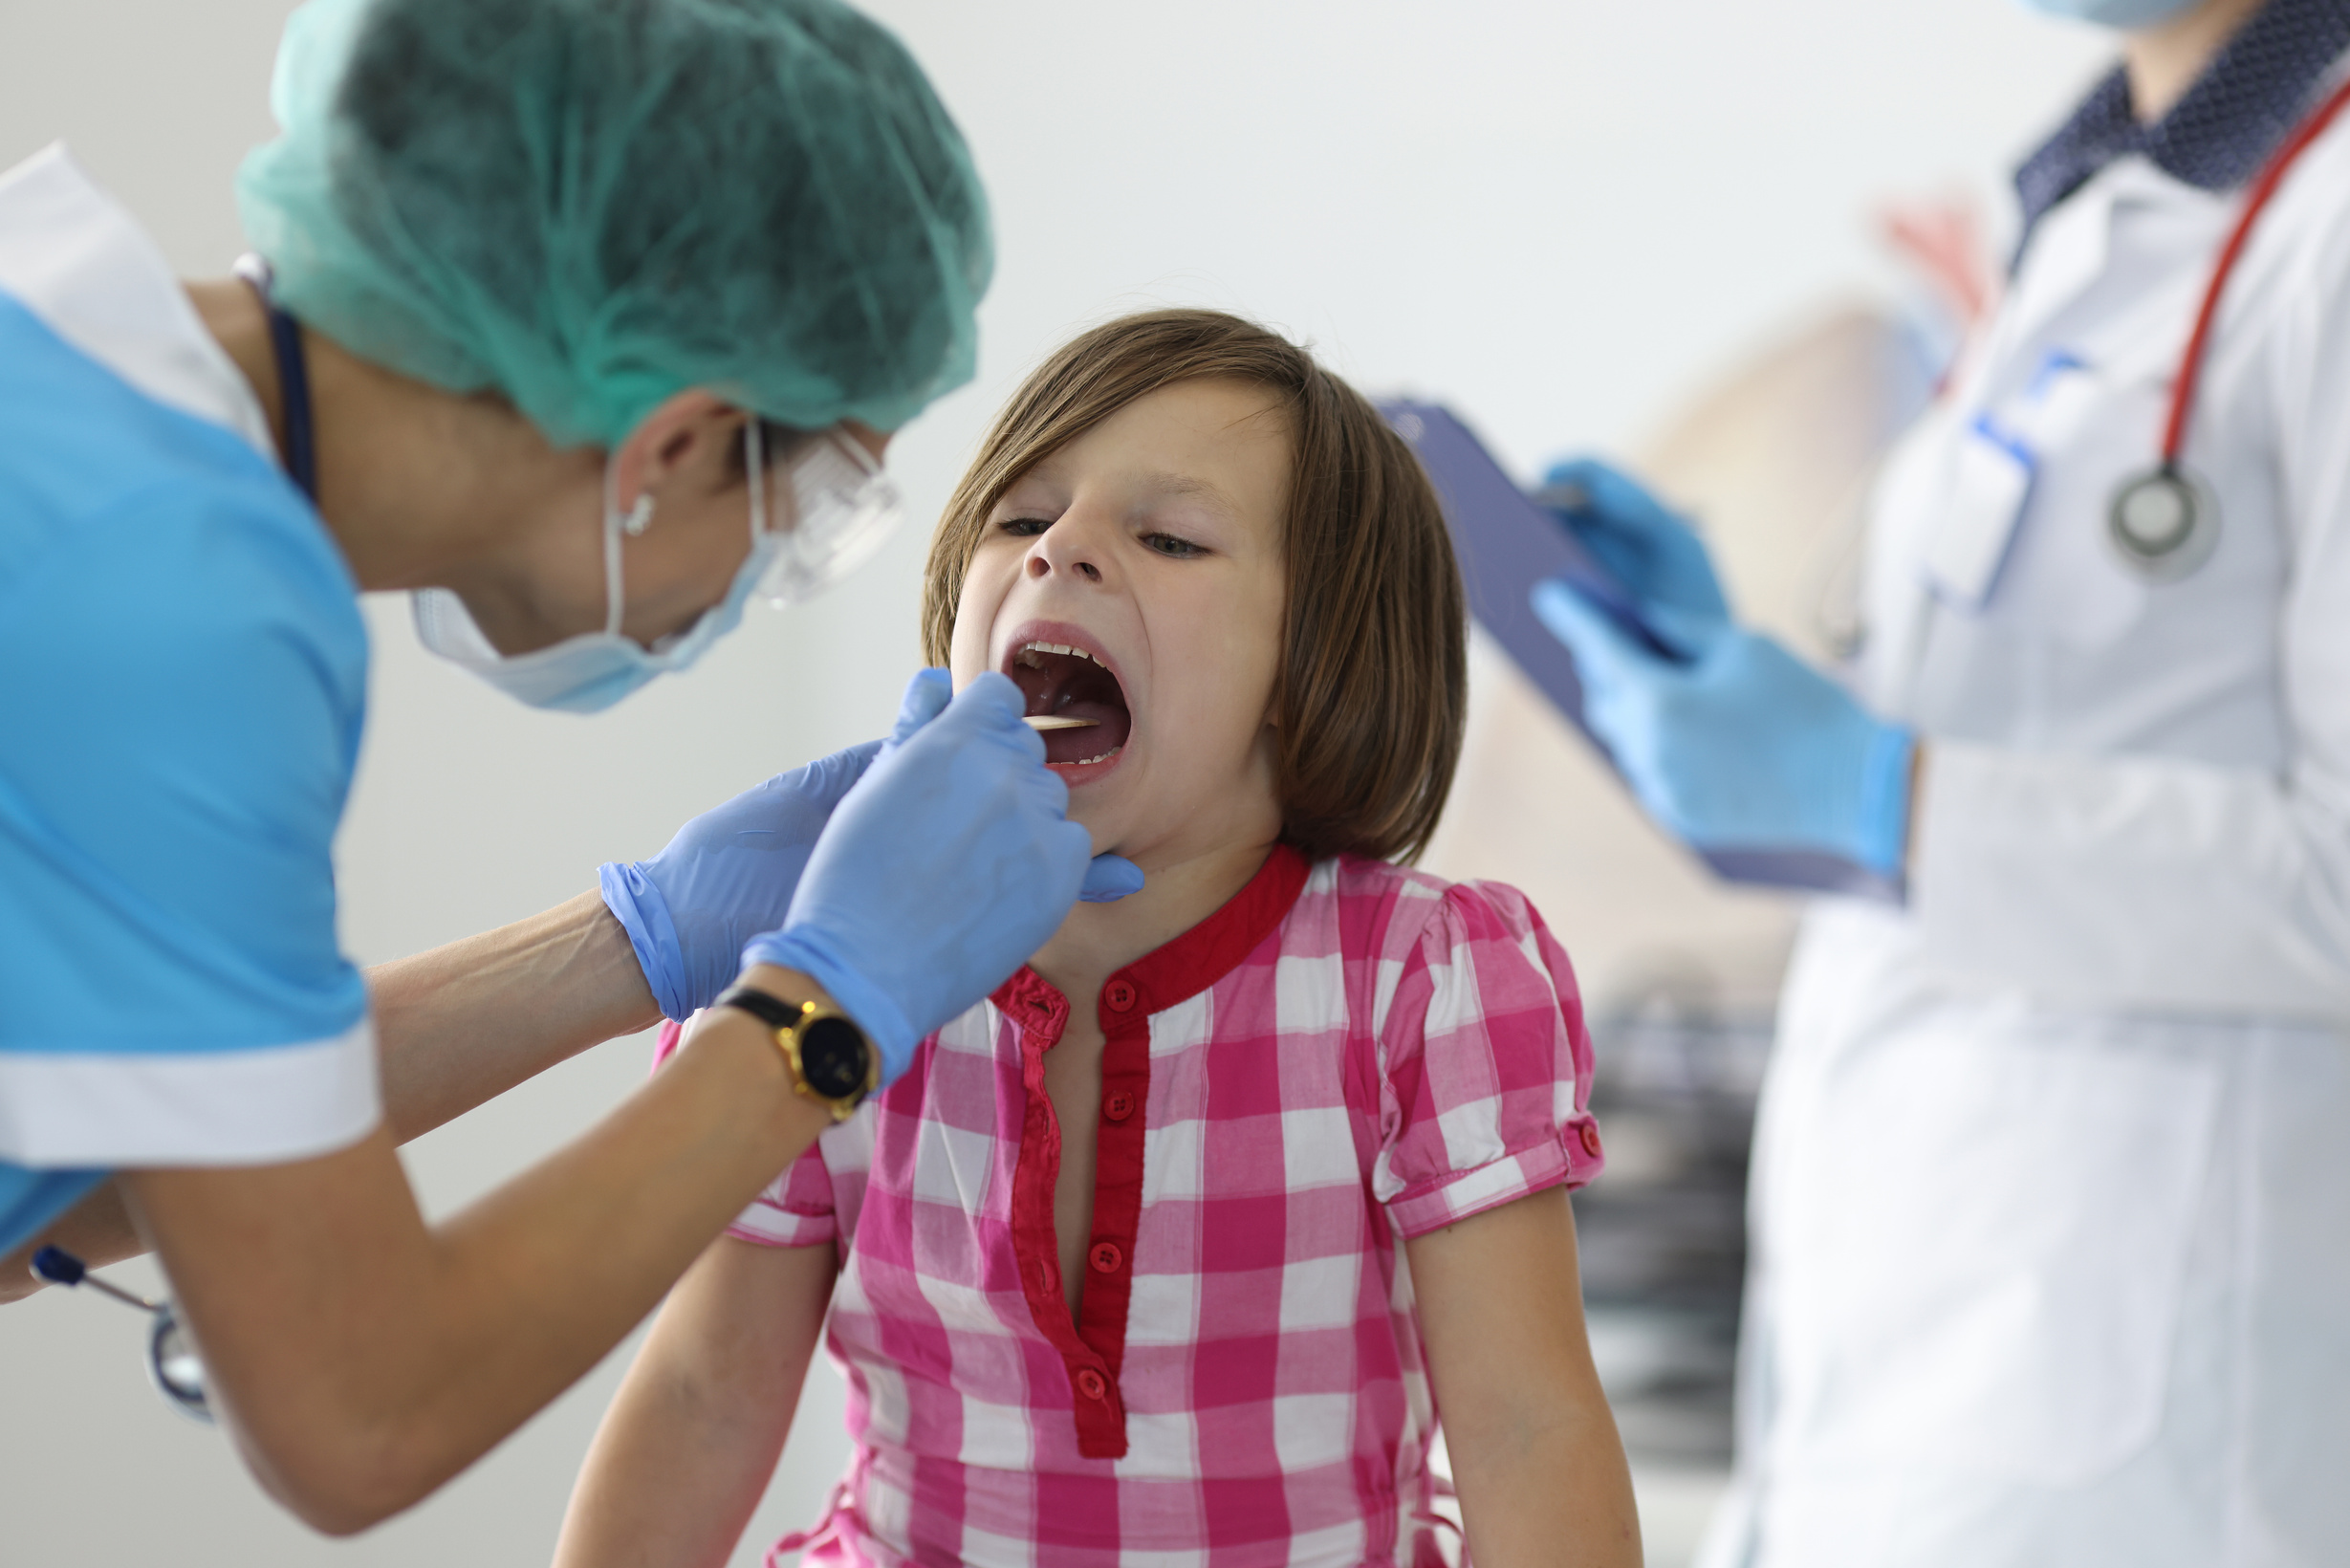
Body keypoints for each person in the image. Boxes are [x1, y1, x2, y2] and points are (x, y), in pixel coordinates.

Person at [0, 0, 1142, 1535]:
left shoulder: (64, 404)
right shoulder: (172, 616)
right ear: (672, 447)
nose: (769, 578)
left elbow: (108, 1158)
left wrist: (634, 941)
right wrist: (820, 1014)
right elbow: (358, 1415)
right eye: (809, 507)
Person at [548, 311, 1643, 1568]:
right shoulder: (818, 976)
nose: (1059, 551)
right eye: (1019, 521)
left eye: (1169, 537)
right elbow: (704, 1398)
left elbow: (1523, 1428)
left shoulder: (1418, 983)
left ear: (1314, 663)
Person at [1530, 0, 2350, 1560]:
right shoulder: (2101, 206)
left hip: (2167, 1435)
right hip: (1916, 1375)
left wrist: (1882, 803)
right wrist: (1761, 684)